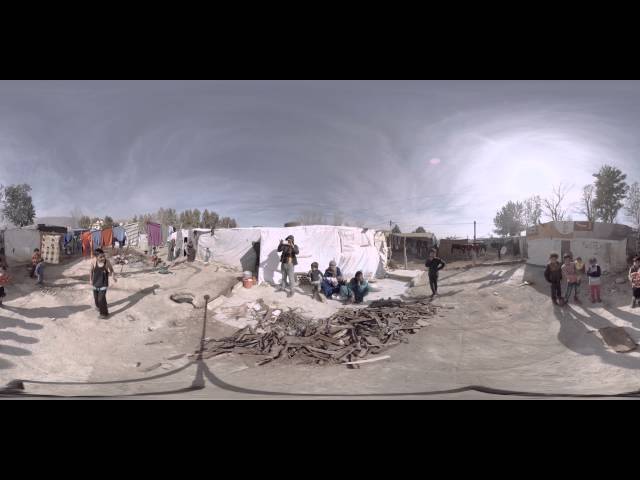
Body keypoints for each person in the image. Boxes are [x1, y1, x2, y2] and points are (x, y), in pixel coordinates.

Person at [90, 249, 117, 319]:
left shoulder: (107, 262)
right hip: (95, 283)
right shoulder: (93, 262)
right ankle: (99, 306)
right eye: (100, 257)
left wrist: (113, 276)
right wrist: (90, 280)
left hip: (103, 284)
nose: (103, 258)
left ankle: (104, 313)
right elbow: (91, 271)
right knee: (96, 299)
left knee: (101, 299)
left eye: (103, 256)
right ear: (96, 257)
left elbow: (111, 270)